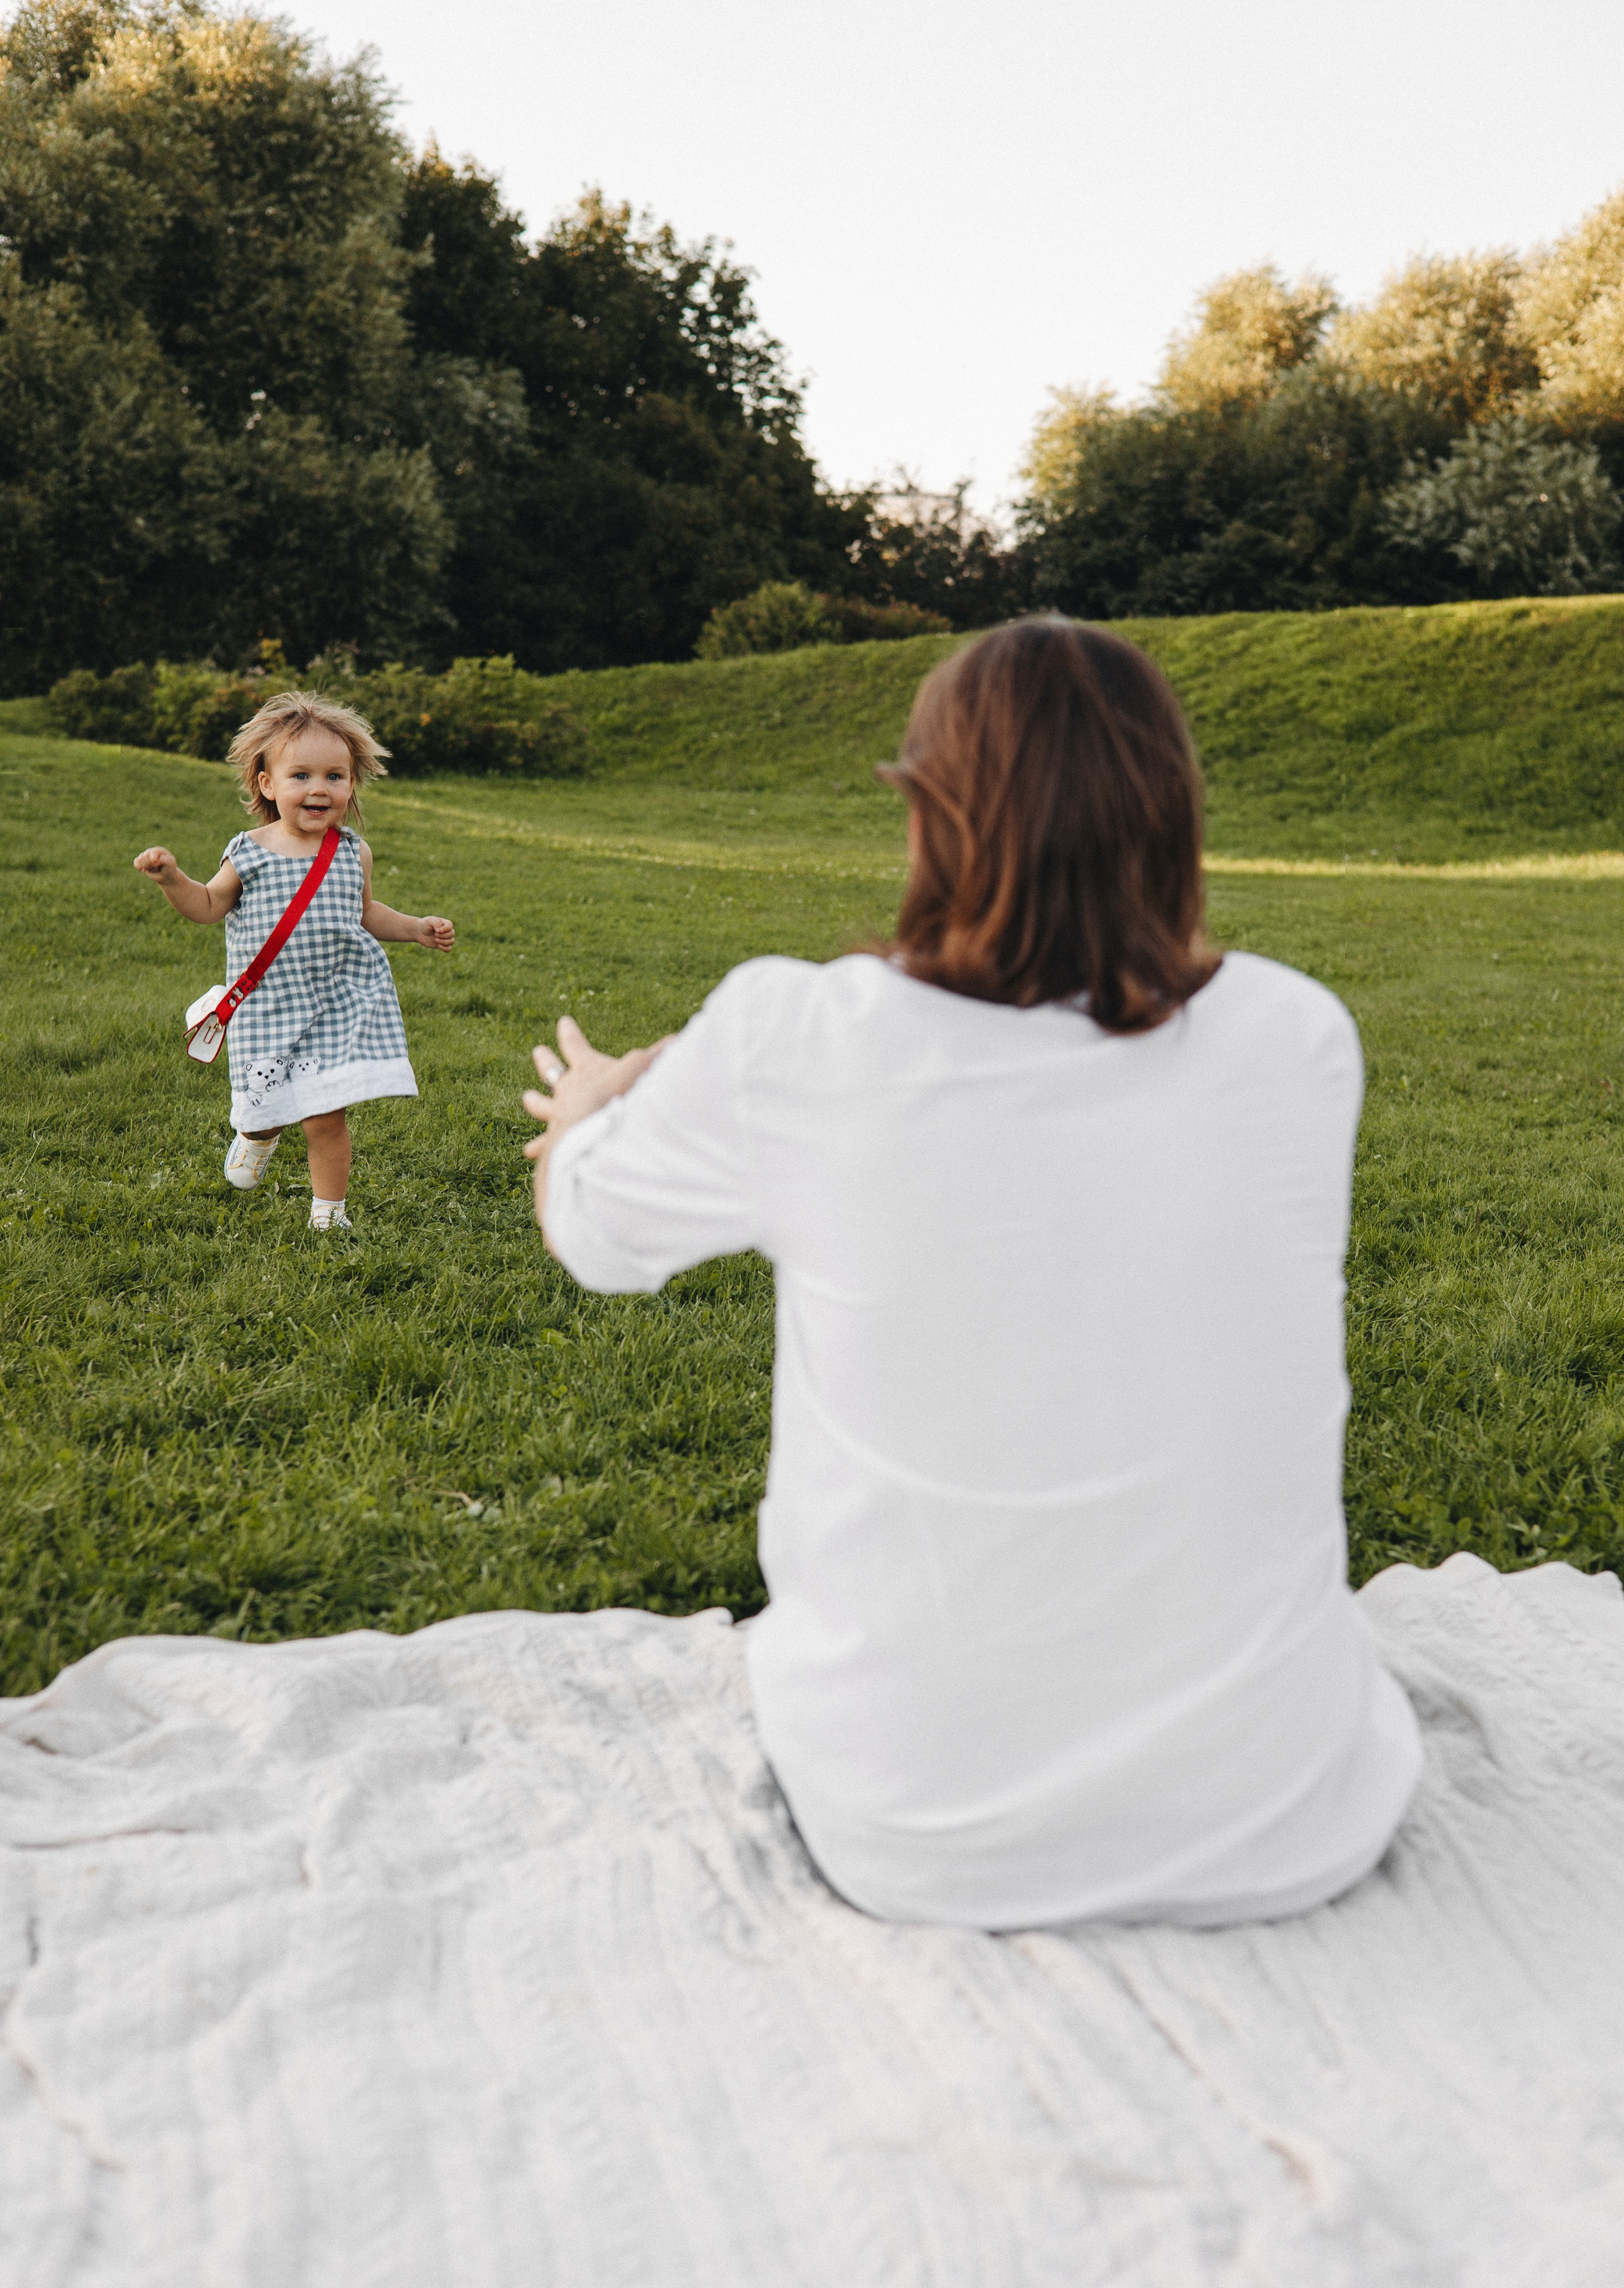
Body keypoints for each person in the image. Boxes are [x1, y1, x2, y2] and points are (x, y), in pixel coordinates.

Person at [522, 617, 1423, 1931]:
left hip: (916, 1826)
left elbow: (591, 1237)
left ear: (927, 810)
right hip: (1281, 1815)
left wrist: (591, 1111)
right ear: (1169, 814)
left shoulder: (799, 1033)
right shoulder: (1298, 1034)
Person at [134, 690, 454, 1232]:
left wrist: (416, 928)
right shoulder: (250, 851)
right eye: (301, 775)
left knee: (326, 1116)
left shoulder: (353, 851)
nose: (319, 789)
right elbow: (208, 906)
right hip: (267, 1006)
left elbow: (367, 912)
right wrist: (173, 880)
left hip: (334, 1003)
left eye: (335, 776)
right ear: (267, 784)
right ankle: (257, 1135)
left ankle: (329, 1214)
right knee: (266, 1110)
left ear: (352, 784)